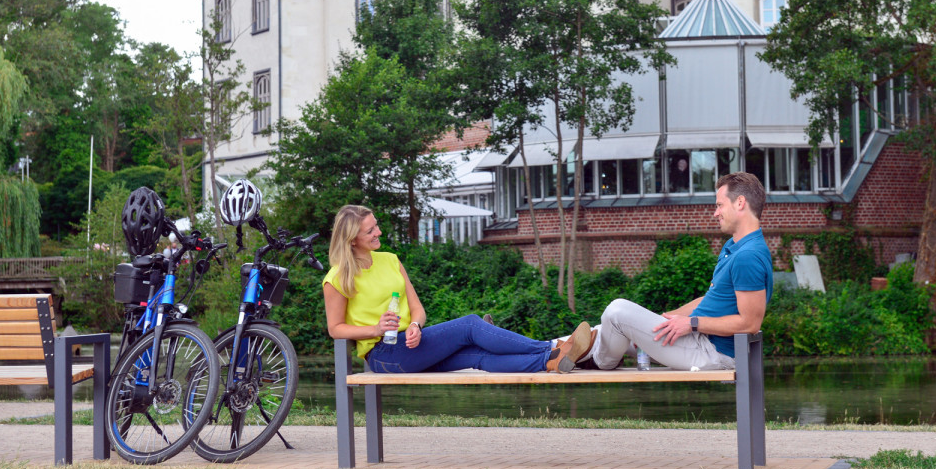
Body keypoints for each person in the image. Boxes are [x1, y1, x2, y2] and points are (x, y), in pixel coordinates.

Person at [323, 204, 592, 373]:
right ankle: (553, 345)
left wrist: (415, 325)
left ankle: (550, 362)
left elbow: (417, 309)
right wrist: (376, 330)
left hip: (412, 342)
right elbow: (335, 329)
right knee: (471, 326)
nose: (378, 232)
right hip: (384, 354)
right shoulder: (337, 277)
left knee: (478, 356)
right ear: (352, 240)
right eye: (370, 230)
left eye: (376, 225)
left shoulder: (390, 260)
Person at [571, 172, 773, 371]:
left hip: (712, 351)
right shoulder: (734, 247)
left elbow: (749, 324)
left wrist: (692, 324)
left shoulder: (748, 256)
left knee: (616, 312)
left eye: (720, 205)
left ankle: (598, 361)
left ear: (740, 202)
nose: (715, 213)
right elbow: (709, 300)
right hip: (697, 340)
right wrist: (664, 319)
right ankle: (545, 351)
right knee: (600, 330)